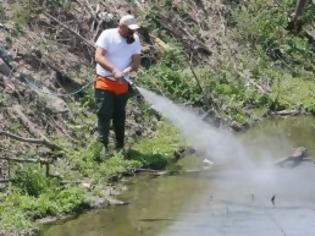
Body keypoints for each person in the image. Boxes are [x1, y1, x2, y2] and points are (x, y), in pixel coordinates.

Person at [94, 14, 142, 159]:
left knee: (119, 116)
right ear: (121, 27)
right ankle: (103, 146)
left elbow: (136, 63)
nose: (132, 33)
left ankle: (120, 147)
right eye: (129, 30)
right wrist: (114, 70)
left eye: (133, 30)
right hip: (105, 81)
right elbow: (99, 56)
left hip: (122, 84)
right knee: (104, 113)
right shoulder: (107, 35)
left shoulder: (135, 40)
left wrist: (124, 72)